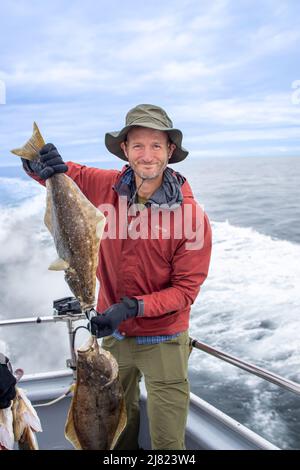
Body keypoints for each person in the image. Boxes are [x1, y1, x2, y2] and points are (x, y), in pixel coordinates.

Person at [22, 104, 212, 450]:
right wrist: (38, 164)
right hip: (114, 339)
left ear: (170, 151)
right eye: (138, 145)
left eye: (157, 145)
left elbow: (185, 291)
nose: (147, 155)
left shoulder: (192, 216)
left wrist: (132, 307)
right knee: (116, 435)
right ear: (125, 150)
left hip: (165, 341)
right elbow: (64, 175)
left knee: (168, 443)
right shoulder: (106, 186)